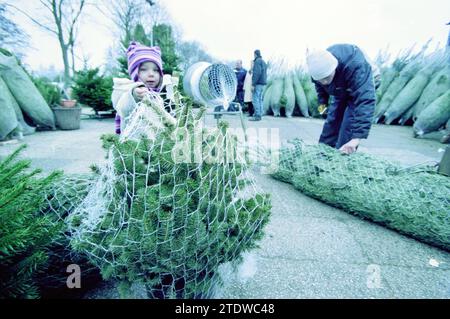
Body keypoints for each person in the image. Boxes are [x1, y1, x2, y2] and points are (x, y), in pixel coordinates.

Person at [306, 44, 376, 154]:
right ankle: (322, 156)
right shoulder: (317, 67)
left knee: (348, 125)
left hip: (363, 83)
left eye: (327, 78)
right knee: (332, 120)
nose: (324, 82)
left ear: (334, 67)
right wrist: (322, 109)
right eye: (321, 80)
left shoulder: (356, 66)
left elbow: (365, 100)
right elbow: (321, 93)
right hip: (341, 86)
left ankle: (342, 160)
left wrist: (356, 138)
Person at [112, 42, 174, 135]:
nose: (151, 74)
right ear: (134, 72)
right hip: (134, 146)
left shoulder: (159, 95)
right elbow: (122, 107)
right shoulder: (125, 89)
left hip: (159, 145)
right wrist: (134, 95)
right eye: (144, 69)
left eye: (156, 70)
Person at [249, 50, 267, 121]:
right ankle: (260, 113)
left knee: (255, 99)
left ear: (255, 54)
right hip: (262, 84)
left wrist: (253, 84)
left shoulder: (257, 61)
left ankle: (257, 116)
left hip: (258, 83)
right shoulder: (263, 62)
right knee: (260, 99)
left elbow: (257, 73)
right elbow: (262, 73)